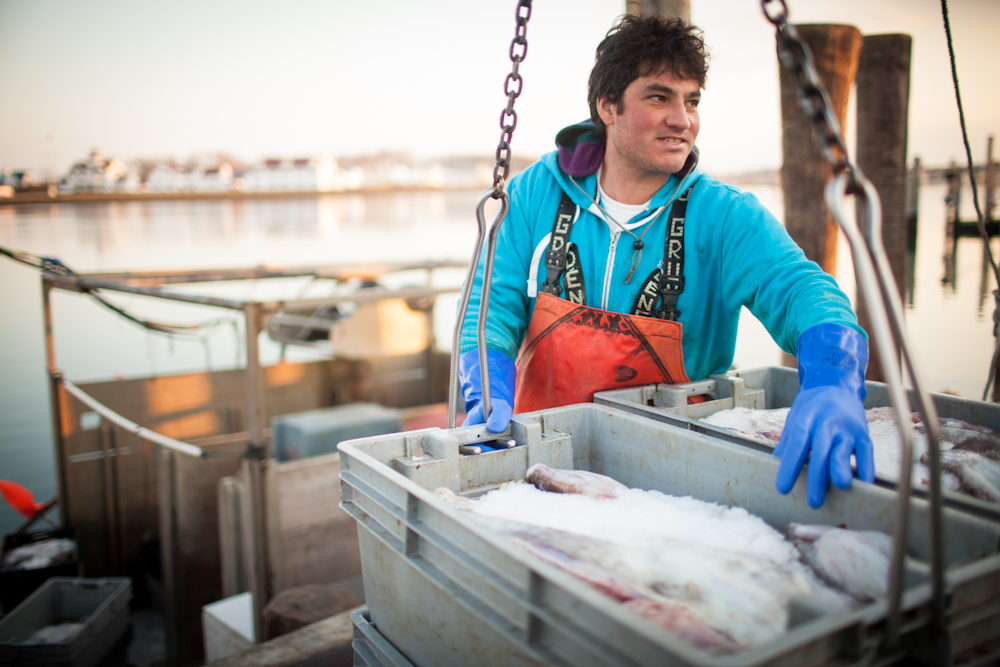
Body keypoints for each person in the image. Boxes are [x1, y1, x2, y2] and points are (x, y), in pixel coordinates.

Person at [458, 14, 873, 509]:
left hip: (674, 480)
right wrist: (485, 389)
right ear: (607, 107)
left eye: (691, 100)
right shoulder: (532, 193)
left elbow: (803, 290)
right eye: (659, 97)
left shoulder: (725, 216)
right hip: (541, 465)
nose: (683, 119)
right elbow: (491, 310)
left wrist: (833, 374)